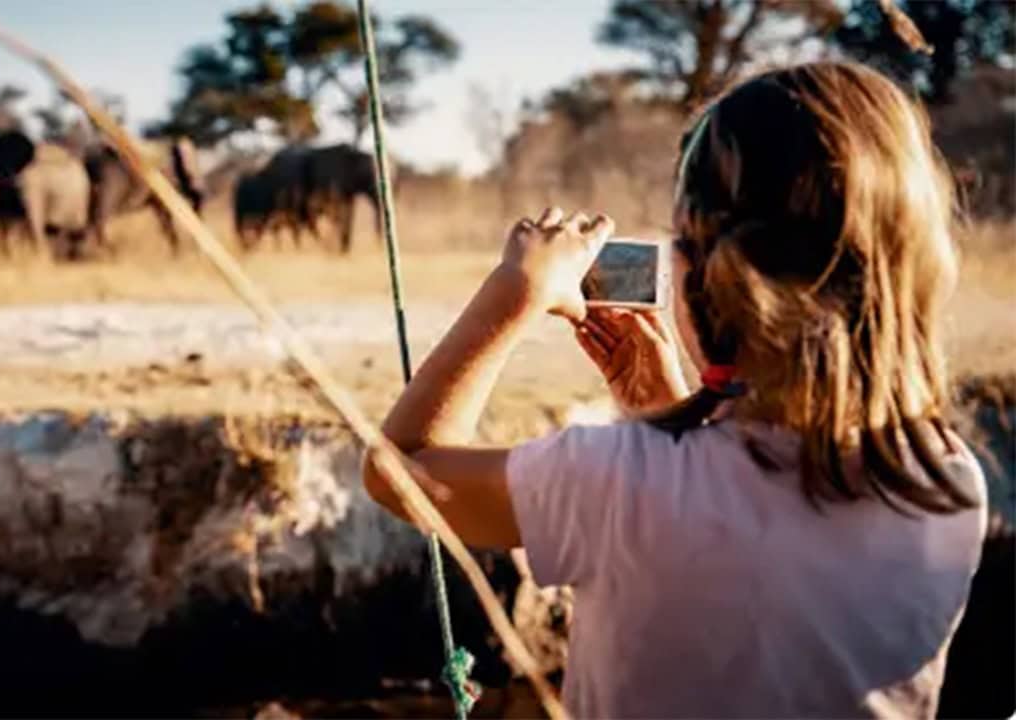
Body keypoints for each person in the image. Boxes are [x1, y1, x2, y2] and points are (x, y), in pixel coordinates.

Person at [363, 62, 986, 718]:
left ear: (710, 279)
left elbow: (401, 469)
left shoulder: (614, 482)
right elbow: (757, 559)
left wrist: (512, 297)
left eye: (679, 243)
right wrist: (667, 411)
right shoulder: (947, 483)